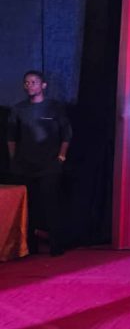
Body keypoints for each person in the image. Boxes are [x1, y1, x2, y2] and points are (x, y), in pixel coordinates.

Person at [7, 71, 72, 256]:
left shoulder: (54, 107)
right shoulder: (18, 109)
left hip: (50, 165)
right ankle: (29, 246)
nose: (30, 85)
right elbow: (11, 137)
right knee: (28, 207)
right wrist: (14, 159)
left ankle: (56, 245)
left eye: (34, 82)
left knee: (52, 204)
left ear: (43, 85)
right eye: (27, 82)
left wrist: (61, 157)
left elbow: (66, 134)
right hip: (25, 165)